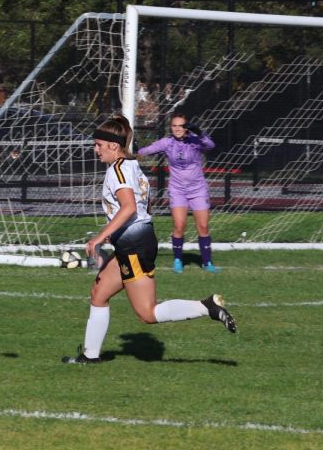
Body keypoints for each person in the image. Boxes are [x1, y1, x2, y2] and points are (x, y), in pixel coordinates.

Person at [62, 115, 236, 365]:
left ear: (113, 145)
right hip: (134, 241)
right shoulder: (131, 165)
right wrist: (119, 231)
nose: (95, 149)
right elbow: (144, 204)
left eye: (99, 144)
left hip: (134, 245)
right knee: (99, 293)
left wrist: (99, 238)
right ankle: (90, 356)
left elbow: (129, 207)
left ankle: (206, 306)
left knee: (147, 313)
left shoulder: (118, 170)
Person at [136, 112, 218, 273]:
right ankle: (178, 260)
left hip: (198, 189)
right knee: (179, 225)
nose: (177, 129)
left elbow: (210, 146)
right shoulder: (167, 143)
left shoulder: (194, 140)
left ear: (187, 127)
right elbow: (147, 150)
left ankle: (207, 262)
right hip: (177, 189)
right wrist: (134, 151)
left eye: (181, 126)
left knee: (202, 226)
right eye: (174, 126)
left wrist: (199, 133)